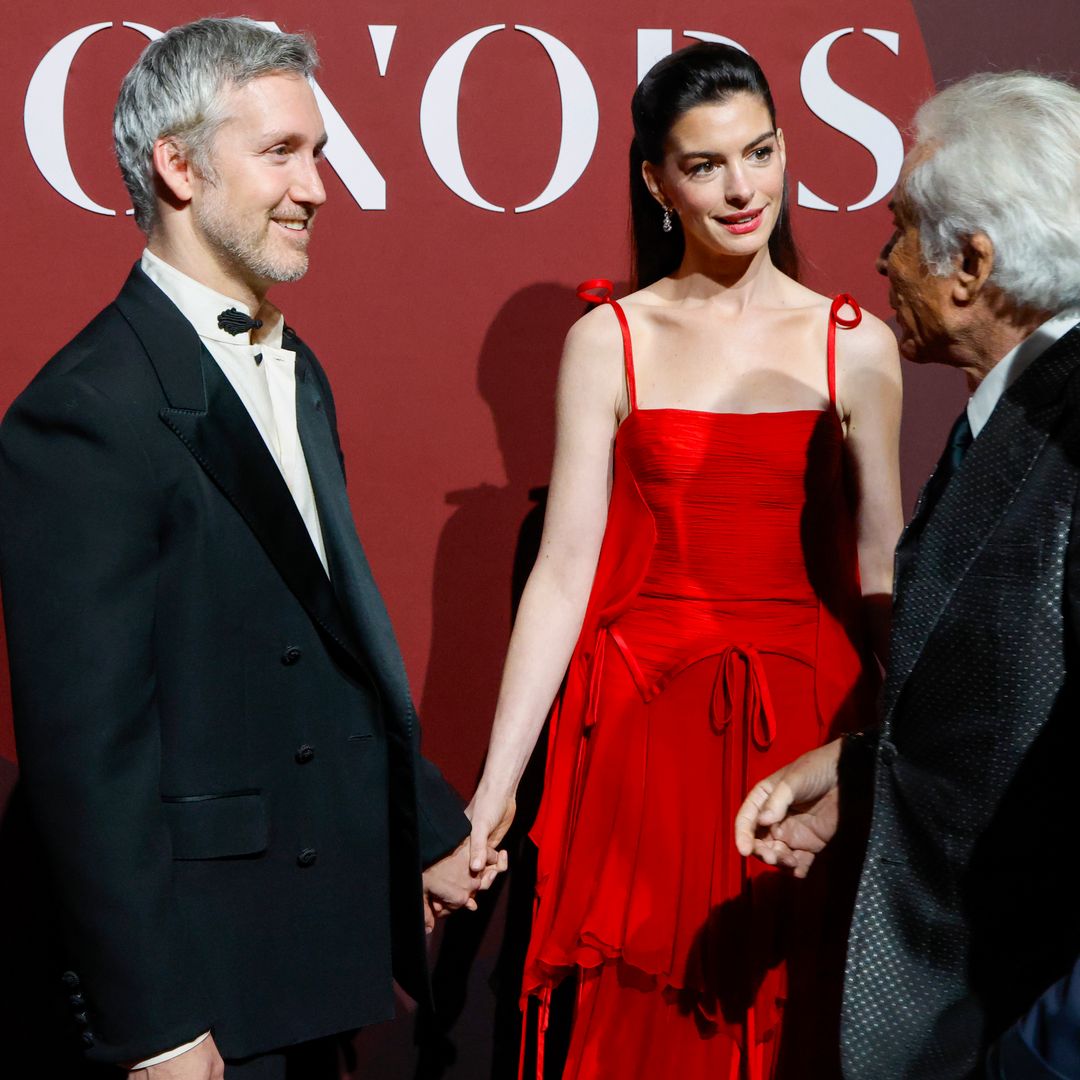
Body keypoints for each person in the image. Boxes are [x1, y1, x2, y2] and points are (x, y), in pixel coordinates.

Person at [0, 17, 501, 1080]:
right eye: (281, 152)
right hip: (197, 986)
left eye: (316, 151)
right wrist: (156, 1025)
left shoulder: (298, 365)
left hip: (310, 946)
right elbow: (85, 761)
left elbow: (323, 644)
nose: (318, 187)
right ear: (176, 167)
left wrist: (420, 820)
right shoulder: (84, 412)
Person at [466, 43, 902, 1078]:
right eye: (706, 165)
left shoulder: (856, 342)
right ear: (656, 182)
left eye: (759, 152)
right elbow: (565, 571)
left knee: (793, 1024)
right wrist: (494, 792)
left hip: (806, 733)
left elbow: (884, 572)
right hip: (640, 741)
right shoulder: (609, 338)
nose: (743, 187)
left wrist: (886, 754)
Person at [734, 71, 1080, 1080]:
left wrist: (1046, 1047)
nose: (881, 261)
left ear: (970, 264)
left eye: (899, 231)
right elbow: (1020, 688)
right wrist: (865, 769)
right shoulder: (1013, 417)